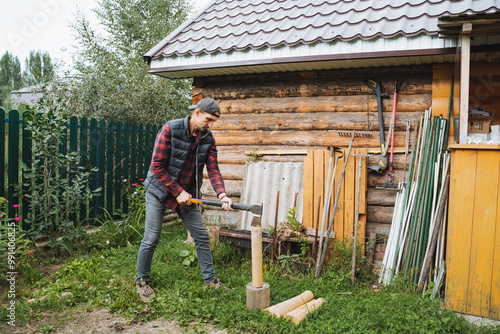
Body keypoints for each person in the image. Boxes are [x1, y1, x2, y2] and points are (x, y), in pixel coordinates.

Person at [135, 97, 233, 302]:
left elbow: (213, 169)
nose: (210, 125)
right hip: (159, 190)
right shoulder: (170, 129)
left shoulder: (207, 138)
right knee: (151, 238)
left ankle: (210, 280)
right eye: (208, 119)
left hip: (186, 195)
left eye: (213, 121)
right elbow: (157, 168)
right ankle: (141, 281)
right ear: (196, 112)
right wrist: (177, 191)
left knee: (201, 235)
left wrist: (222, 194)